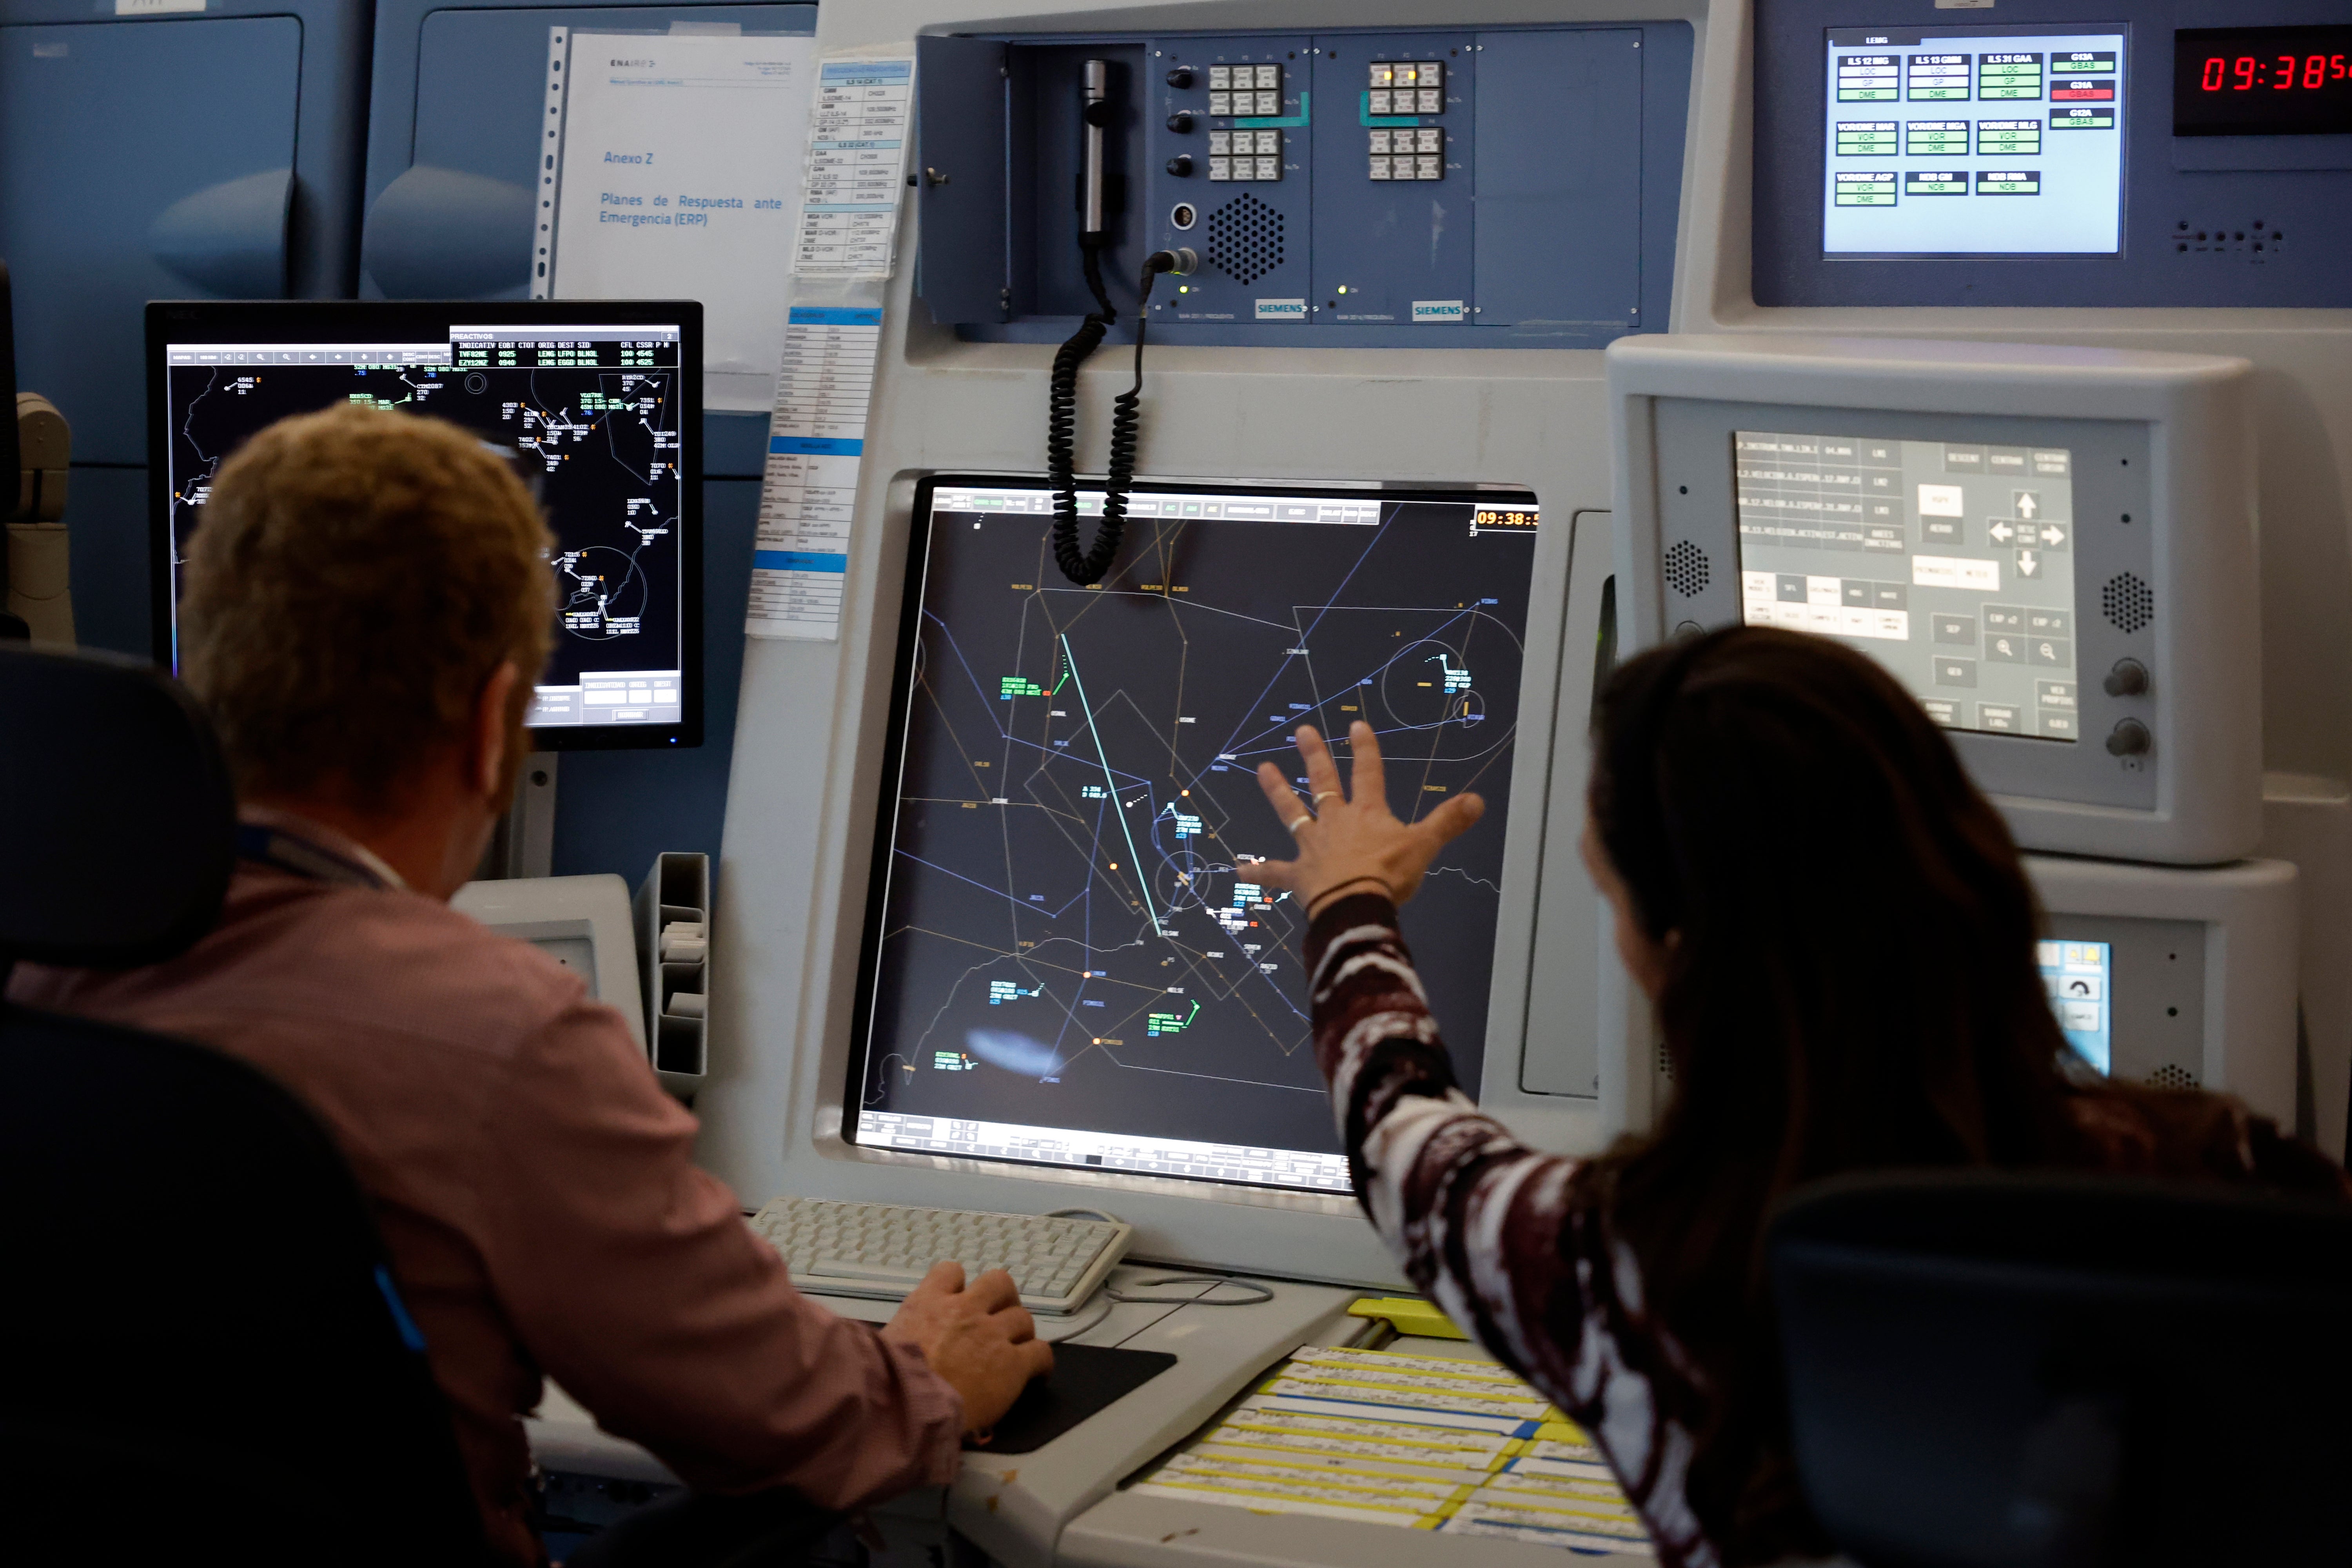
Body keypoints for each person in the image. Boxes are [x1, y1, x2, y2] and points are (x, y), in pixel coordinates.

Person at [7, 406, 1049, 1564]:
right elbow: (781, 1422)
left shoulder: (51, 969)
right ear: (494, 724)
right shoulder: (497, 1034)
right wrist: (926, 1381)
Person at [1247, 625, 2348, 1568]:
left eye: (1613, 894)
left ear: (1676, 956)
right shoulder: (2230, 1188)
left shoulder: (1612, 1262)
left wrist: (1350, 898)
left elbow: (1396, 1123)